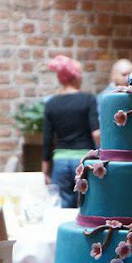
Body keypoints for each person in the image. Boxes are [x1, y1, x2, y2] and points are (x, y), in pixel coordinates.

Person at [42, 55, 100, 208]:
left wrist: (45, 171)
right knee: (86, 206)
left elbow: (47, 140)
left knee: (61, 208)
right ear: (75, 76)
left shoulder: (51, 103)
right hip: (83, 161)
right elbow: (96, 133)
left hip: (60, 161)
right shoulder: (88, 99)